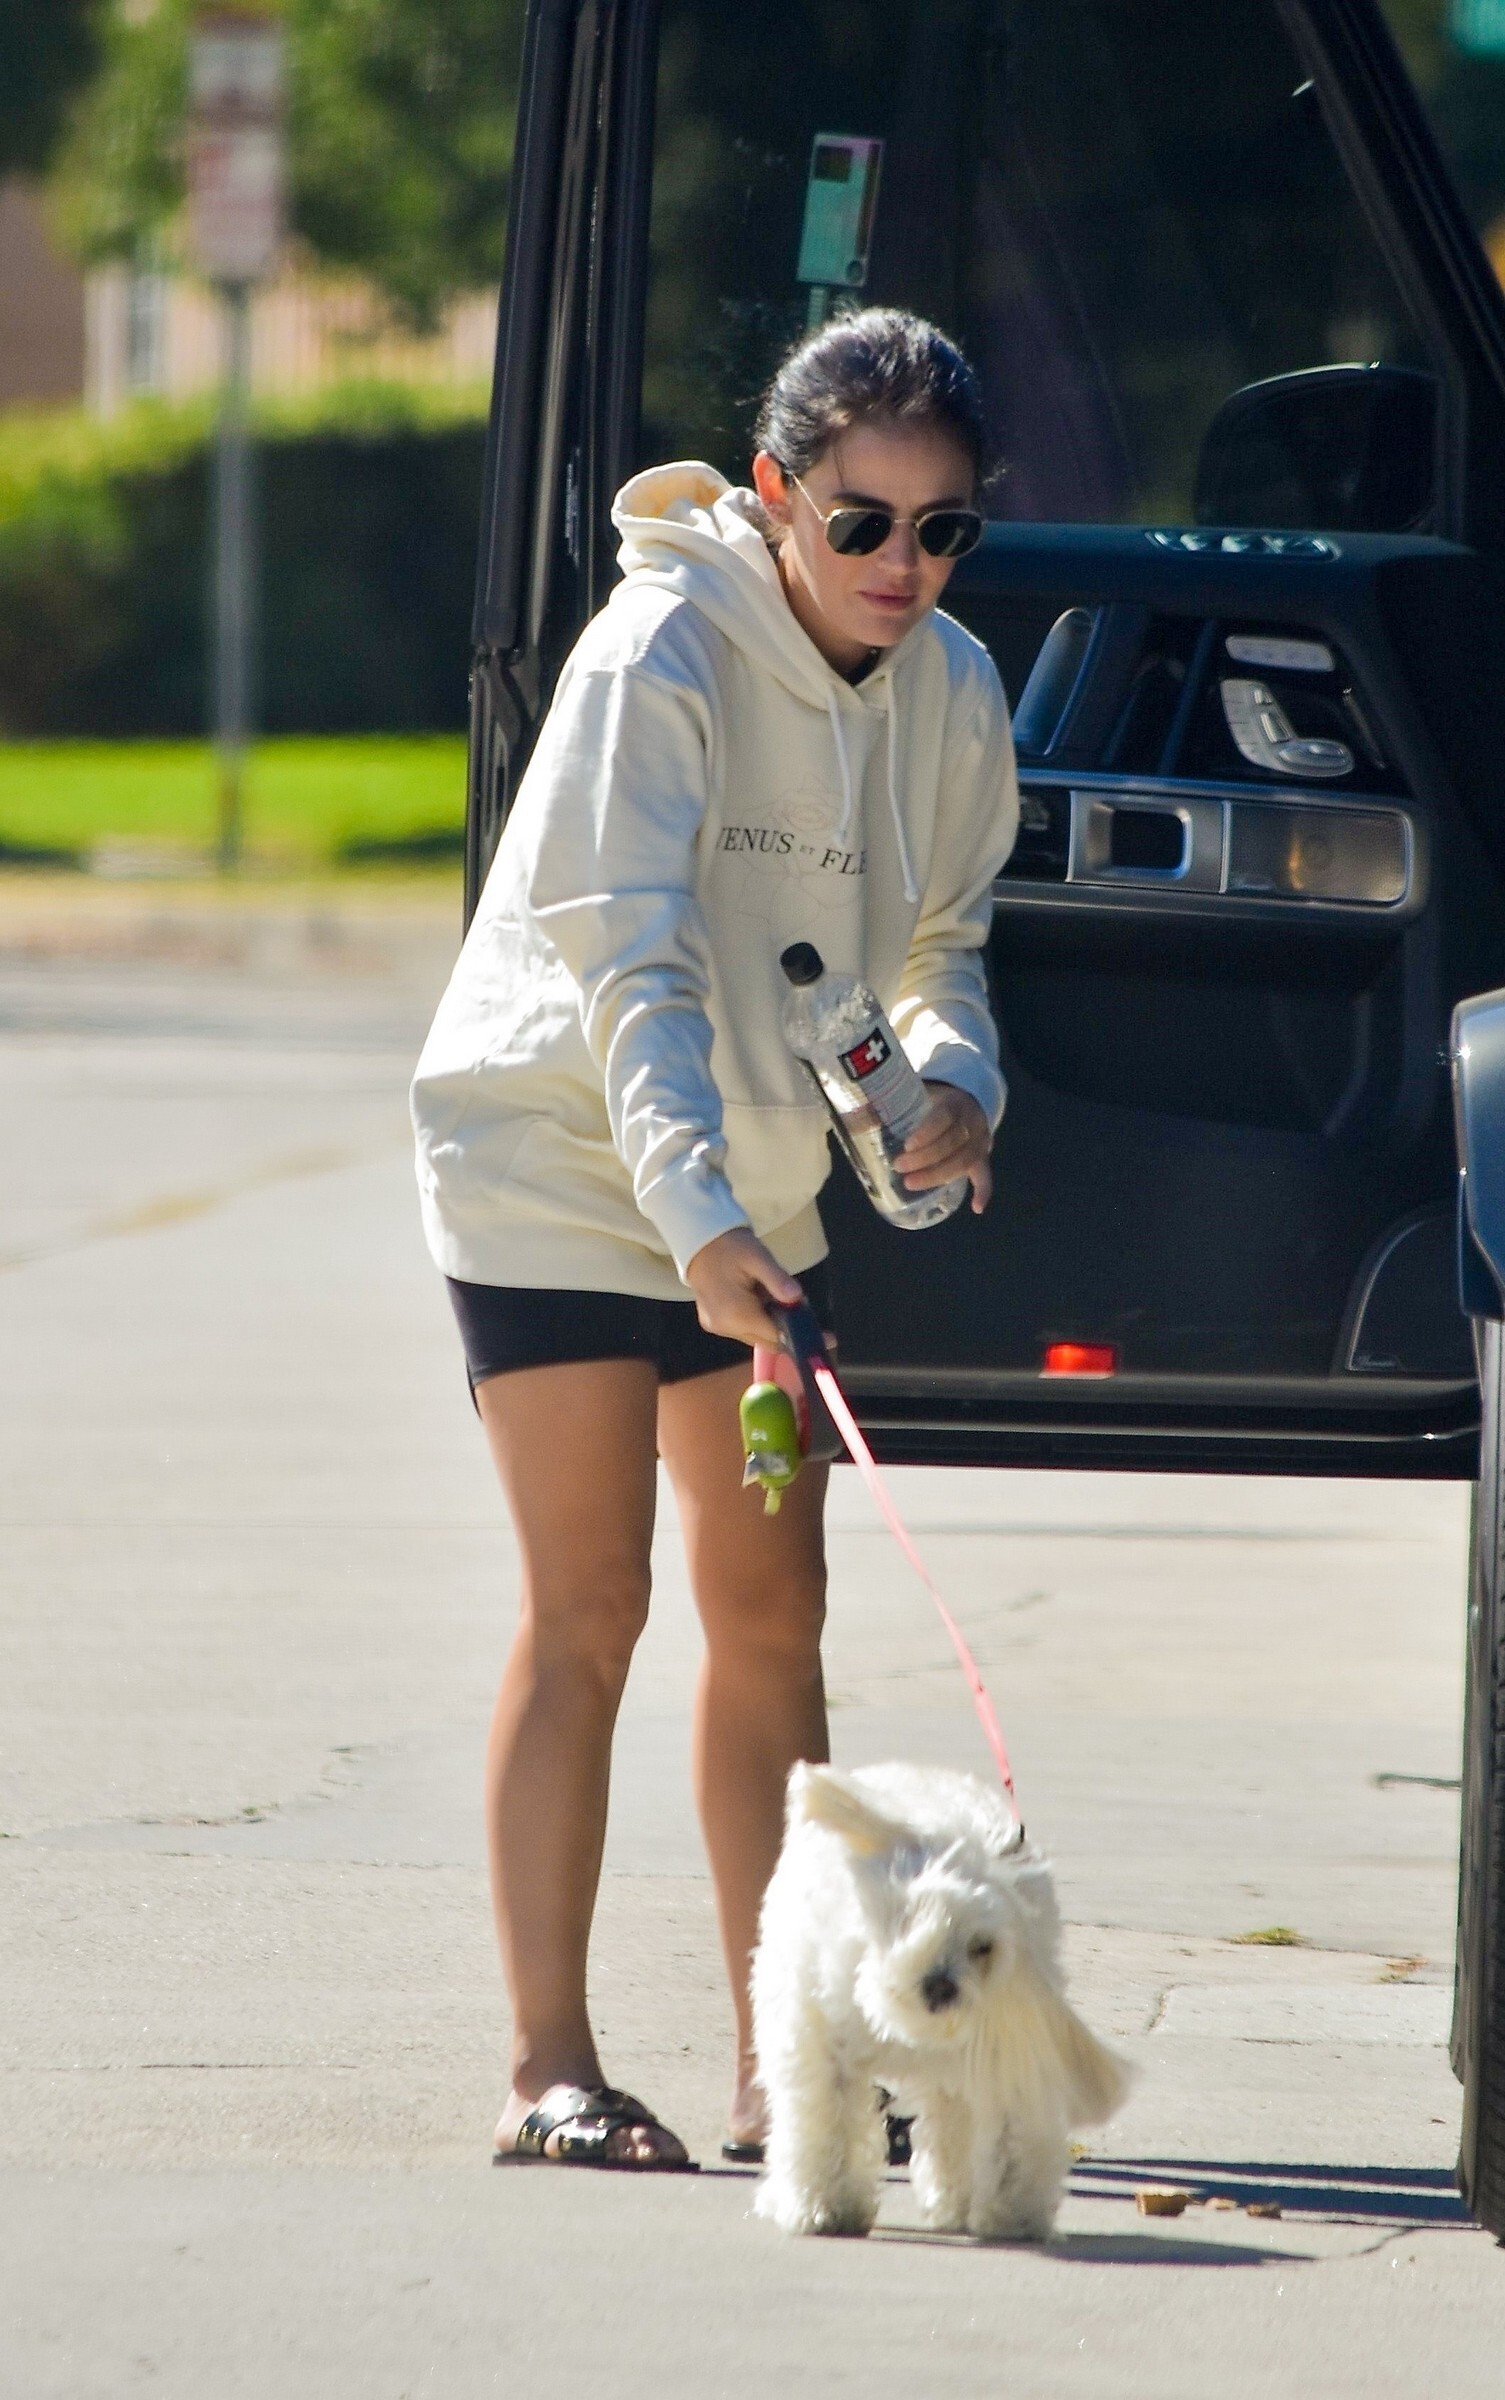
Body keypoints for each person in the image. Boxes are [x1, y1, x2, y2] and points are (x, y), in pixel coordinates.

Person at [410, 307, 1019, 2170]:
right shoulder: (660, 642)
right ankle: (548, 2071)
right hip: (553, 1148)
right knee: (590, 1603)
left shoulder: (951, 687)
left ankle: (788, 2068)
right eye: (861, 522)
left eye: (942, 528)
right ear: (774, 492)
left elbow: (941, 947)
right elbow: (630, 961)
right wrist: (693, 1222)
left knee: (773, 1616)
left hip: (748, 1172)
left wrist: (952, 1084)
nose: (902, 564)